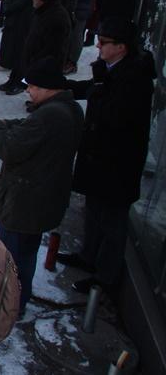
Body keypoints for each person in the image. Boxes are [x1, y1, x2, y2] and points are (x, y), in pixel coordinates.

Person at [58, 18, 155, 294]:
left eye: (104, 43)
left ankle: (105, 278)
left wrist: (94, 92)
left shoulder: (134, 78)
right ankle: (89, 256)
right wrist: (68, 88)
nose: (97, 46)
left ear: (121, 47)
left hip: (116, 162)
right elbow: (95, 88)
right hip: (101, 157)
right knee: (94, 210)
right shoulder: (115, 69)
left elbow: (115, 114)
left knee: (112, 221)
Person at [0, 57, 83, 311]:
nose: (28, 90)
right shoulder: (68, 109)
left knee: (10, 258)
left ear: (48, 87)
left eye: (32, 86)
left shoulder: (50, 115)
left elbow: (10, 147)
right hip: (43, 198)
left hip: (26, 202)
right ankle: (17, 300)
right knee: (24, 255)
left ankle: (8, 307)